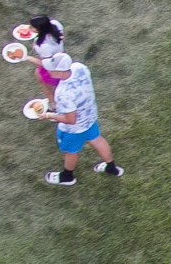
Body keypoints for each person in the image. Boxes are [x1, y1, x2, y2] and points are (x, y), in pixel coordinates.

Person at [43, 52, 127, 186]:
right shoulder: (79, 67)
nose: (47, 70)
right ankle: (112, 168)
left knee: (71, 151)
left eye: (51, 69)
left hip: (74, 129)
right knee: (97, 140)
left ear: (59, 72)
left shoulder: (63, 93)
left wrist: (48, 115)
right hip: (89, 117)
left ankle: (67, 176)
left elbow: (70, 120)